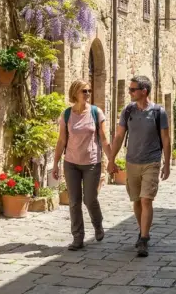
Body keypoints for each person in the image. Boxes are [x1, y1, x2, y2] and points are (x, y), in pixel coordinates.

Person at [110, 75, 171, 257]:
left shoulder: (158, 112)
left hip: (152, 161)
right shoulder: (128, 111)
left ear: (144, 91)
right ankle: (142, 230)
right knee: (136, 200)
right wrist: (111, 159)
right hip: (132, 162)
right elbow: (119, 136)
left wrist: (167, 164)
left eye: (132, 89)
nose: (129, 92)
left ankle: (144, 238)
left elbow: (166, 139)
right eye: (129, 89)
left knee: (146, 200)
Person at [52, 80, 113, 251]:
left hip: (92, 163)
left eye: (89, 91)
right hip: (71, 163)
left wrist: (112, 160)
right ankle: (78, 237)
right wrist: (55, 163)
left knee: (90, 199)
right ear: (75, 93)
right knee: (74, 201)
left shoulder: (96, 112)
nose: (87, 94)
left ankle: (98, 224)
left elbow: (104, 139)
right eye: (84, 91)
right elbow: (61, 141)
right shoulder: (67, 115)